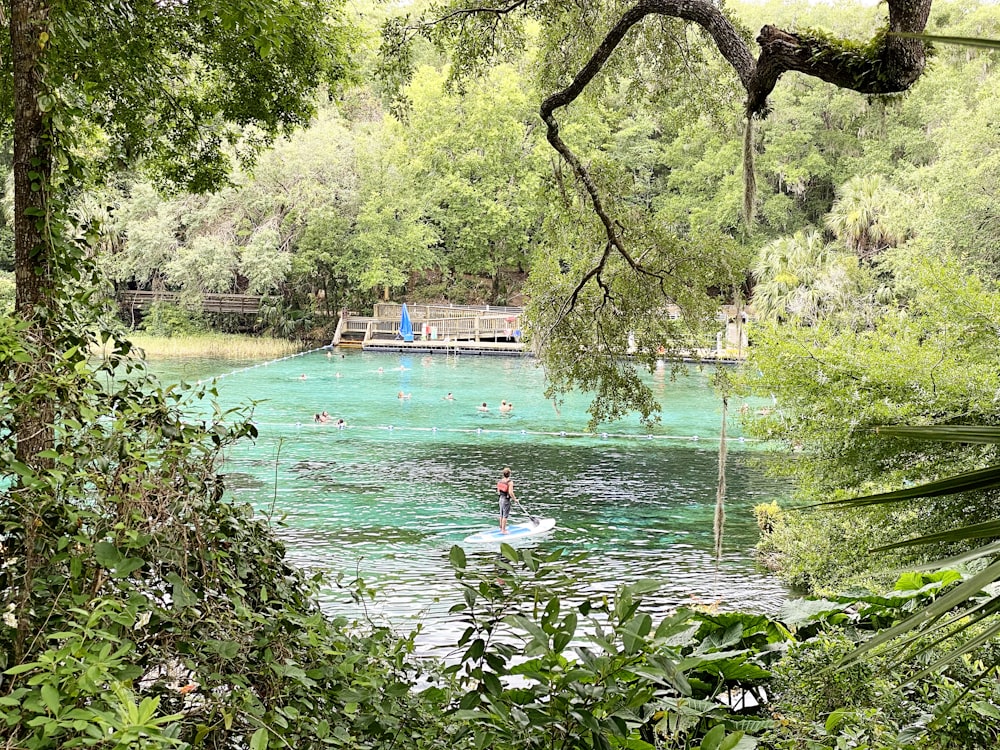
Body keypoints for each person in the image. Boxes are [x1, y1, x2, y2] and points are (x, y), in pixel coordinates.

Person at [496, 467, 516, 534]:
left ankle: (501, 528)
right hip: (506, 500)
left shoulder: (500, 481)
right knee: (505, 515)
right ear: (509, 474)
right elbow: (510, 492)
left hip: (500, 499)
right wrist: (515, 499)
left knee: (501, 514)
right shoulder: (510, 482)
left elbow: (498, 491)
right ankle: (503, 531)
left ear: (503, 474)